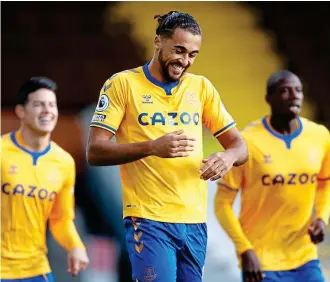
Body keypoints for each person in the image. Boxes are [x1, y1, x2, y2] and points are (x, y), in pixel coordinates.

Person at [87, 11, 248, 282]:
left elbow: (239, 146)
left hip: (194, 221)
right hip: (148, 219)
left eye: (192, 55)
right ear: (158, 42)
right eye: (179, 50)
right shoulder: (122, 84)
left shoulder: (201, 88)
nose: (185, 61)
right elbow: (95, 151)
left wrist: (228, 157)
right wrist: (152, 147)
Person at [215, 70, 330, 282]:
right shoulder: (247, 143)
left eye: (298, 90)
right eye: (285, 91)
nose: (294, 95)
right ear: (269, 99)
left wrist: (322, 219)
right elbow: (222, 204)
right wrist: (245, 250)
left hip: (305, 257)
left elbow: (324, 184)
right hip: (261, 261)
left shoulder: (320, 136)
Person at [1, 77, 89, 281]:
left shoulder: (64, 162)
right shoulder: (2, 152)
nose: (47, 110)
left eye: (51, 105)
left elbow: (61, 219)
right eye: (39, 105)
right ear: (21, 112)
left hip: (35, 268)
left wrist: (75, 246)